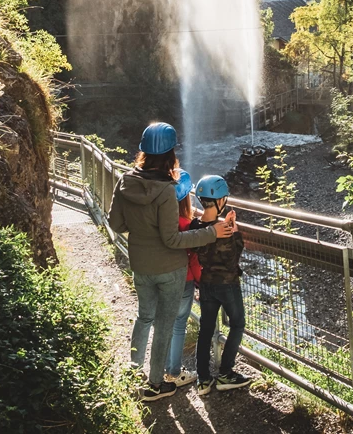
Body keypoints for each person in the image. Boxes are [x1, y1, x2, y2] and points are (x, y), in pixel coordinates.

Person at [108, 123, 235, 402]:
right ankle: (155, 384)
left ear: (143, 151)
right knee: (165, 325)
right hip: (170, 269)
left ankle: (132, 375)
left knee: (143, 318)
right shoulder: (166, 190)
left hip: (140, 263)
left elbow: (115, 223)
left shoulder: (125, 181)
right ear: (171, 154)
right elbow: (172, 240)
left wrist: (142, 229)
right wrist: (212, 232)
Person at [191, 175, 252, 396]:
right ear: (219, 201)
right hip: (227, 286)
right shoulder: (223, 229)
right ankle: (226, 372)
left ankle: (203, 379)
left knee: (205, 330)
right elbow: (233, 256)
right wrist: (234, 228)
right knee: (237, 324)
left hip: (206, 284)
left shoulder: (196, 225)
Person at [164, 169, 200, 388]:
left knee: (163, 323)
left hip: (161, 276)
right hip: (183, 279)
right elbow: (194, 259)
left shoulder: (159, 221)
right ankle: (174, 372)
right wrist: (200, 281)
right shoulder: (187, 225)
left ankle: (159, 369)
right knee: (178, 325)